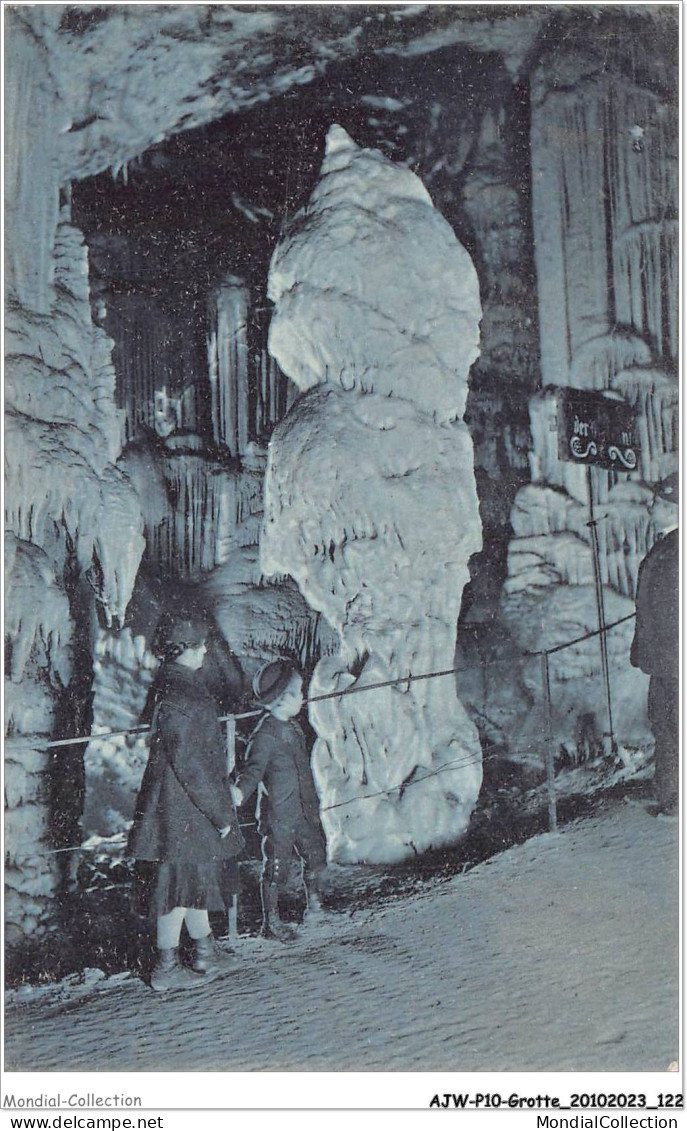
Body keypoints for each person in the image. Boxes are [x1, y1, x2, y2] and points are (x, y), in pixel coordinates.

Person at [128, 617, 245, 991]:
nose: (206, 651)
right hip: (183, 810)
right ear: (184, 650)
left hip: (178, 807)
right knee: (176, 887)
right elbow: (191, 766)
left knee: (191, 879)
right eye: (200, 646)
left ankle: (205, 951)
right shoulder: (184, 696)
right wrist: (220, 812)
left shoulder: (172, 686)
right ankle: (165, 967)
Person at [232, 660, 327, 942]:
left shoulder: (293, 727)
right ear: (284, 699)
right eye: (299, 692)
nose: (303, 697)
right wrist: (239, 792)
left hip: (303, 809)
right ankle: (271, 923)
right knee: (277, 868)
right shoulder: (265, 736)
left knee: (316, 856)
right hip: (280, 816)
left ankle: (315, 906)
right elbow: (253, 769)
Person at [630, 473, 679, 815]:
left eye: (660, 503)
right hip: (663, 661)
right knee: (665, 727)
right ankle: (671, 798)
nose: (652, 507)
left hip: (675, 660)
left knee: (676, 729)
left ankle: (676, 801)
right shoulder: (666, 544)